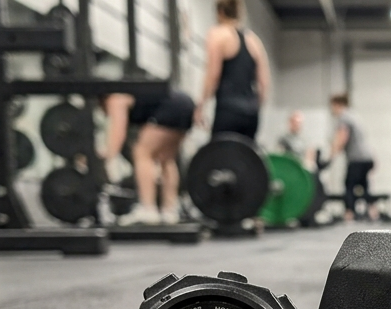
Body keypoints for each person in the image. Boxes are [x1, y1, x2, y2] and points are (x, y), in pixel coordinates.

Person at [101, 90, 196, 225]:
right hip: (186, 103)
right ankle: (170, 211)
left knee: (142, 153)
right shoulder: (128, 95)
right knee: (166, 159)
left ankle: (148, 209)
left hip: (171, 106)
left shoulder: (115, 99)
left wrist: (107, 156)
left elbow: (118, 132)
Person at [197, 0, 270, 140]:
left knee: (221, 158)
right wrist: (255, 107)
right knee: (244, 159)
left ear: (220, 12)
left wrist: (201, 105)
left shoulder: (217, 34)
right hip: (251, 114)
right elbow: (264, 83)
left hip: (228, 109)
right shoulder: (254, 41)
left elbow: (213, 74)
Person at [329, 94, 375, 221]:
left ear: (337, 104)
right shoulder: (354, 115)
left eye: (332, 106)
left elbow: (342, 137)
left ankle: (349, 213)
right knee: (364, 185)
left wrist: (330, 156)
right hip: (367, 157)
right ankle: (372, 212)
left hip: (357, 158)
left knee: (349, 185)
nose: (331, 110)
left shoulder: (344, 117)